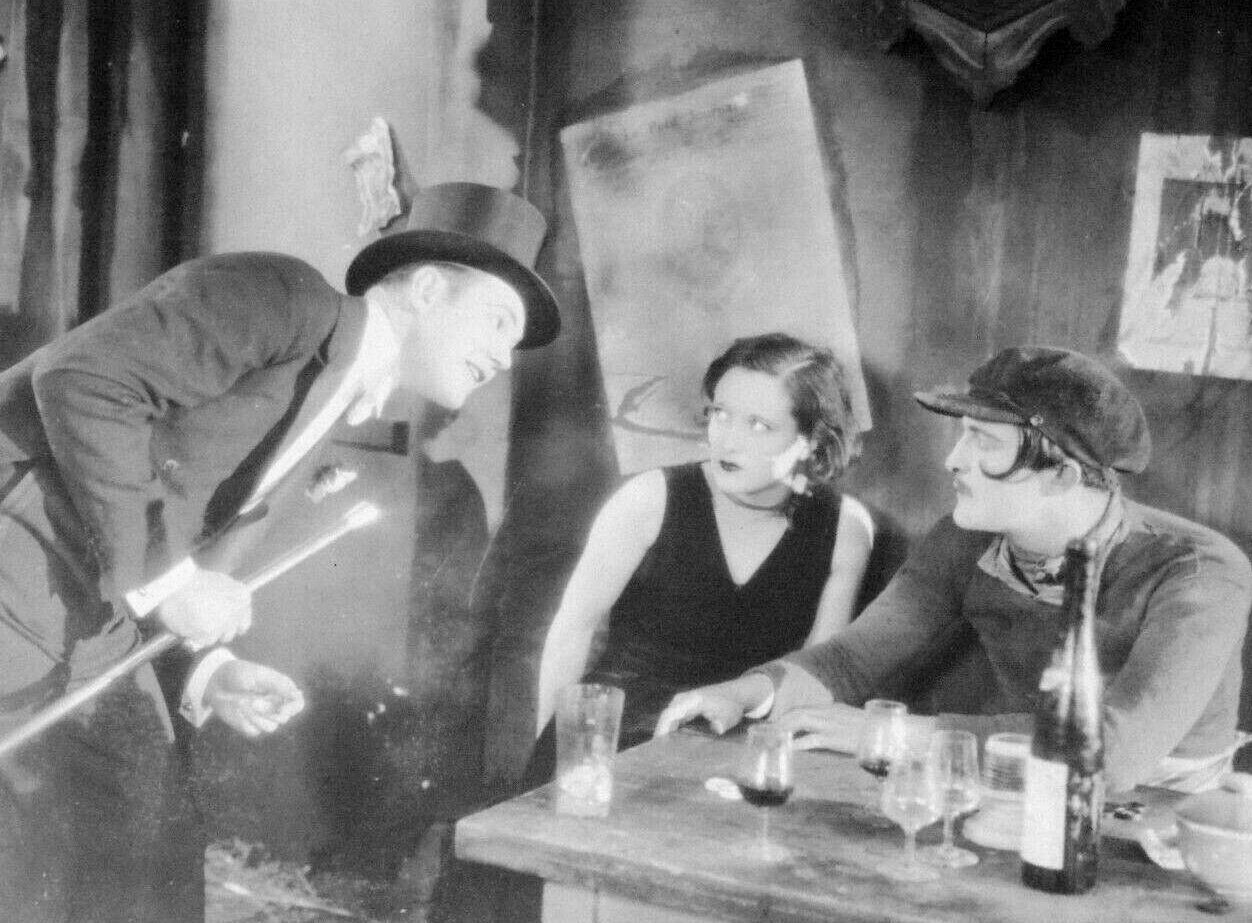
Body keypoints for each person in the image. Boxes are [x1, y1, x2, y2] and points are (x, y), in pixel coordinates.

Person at [0, 181, 560, 922]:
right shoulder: (283, 298)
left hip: (79, 616)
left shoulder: (331, 398)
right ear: (428, 289)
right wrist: (168, 581)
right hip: (16, 573)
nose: (505, 359)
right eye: (498, 321)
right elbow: (79, 380)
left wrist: (206, 669)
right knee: (62, 860)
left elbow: (164, 540)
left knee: (151, 850)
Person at [656, 345, 1252, 795]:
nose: (952, 460)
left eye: (983, 442)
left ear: (1062, 476)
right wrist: (746, 692)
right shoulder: (967, 536)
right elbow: (853, 659)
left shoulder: (1200, 573)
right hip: (1004, 773)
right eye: (961, 436)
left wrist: (894, 734)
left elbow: (1112, 755)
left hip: (1156, 809)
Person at [529, 332, 875, 779]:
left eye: (758, 425)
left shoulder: (846, 528)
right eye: (720, 414)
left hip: (741, 750)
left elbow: (819, 677)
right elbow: (570, 634)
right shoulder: (648, 499)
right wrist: (551, 759)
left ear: (812, 440)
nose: (727, 441)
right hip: (621, 739)